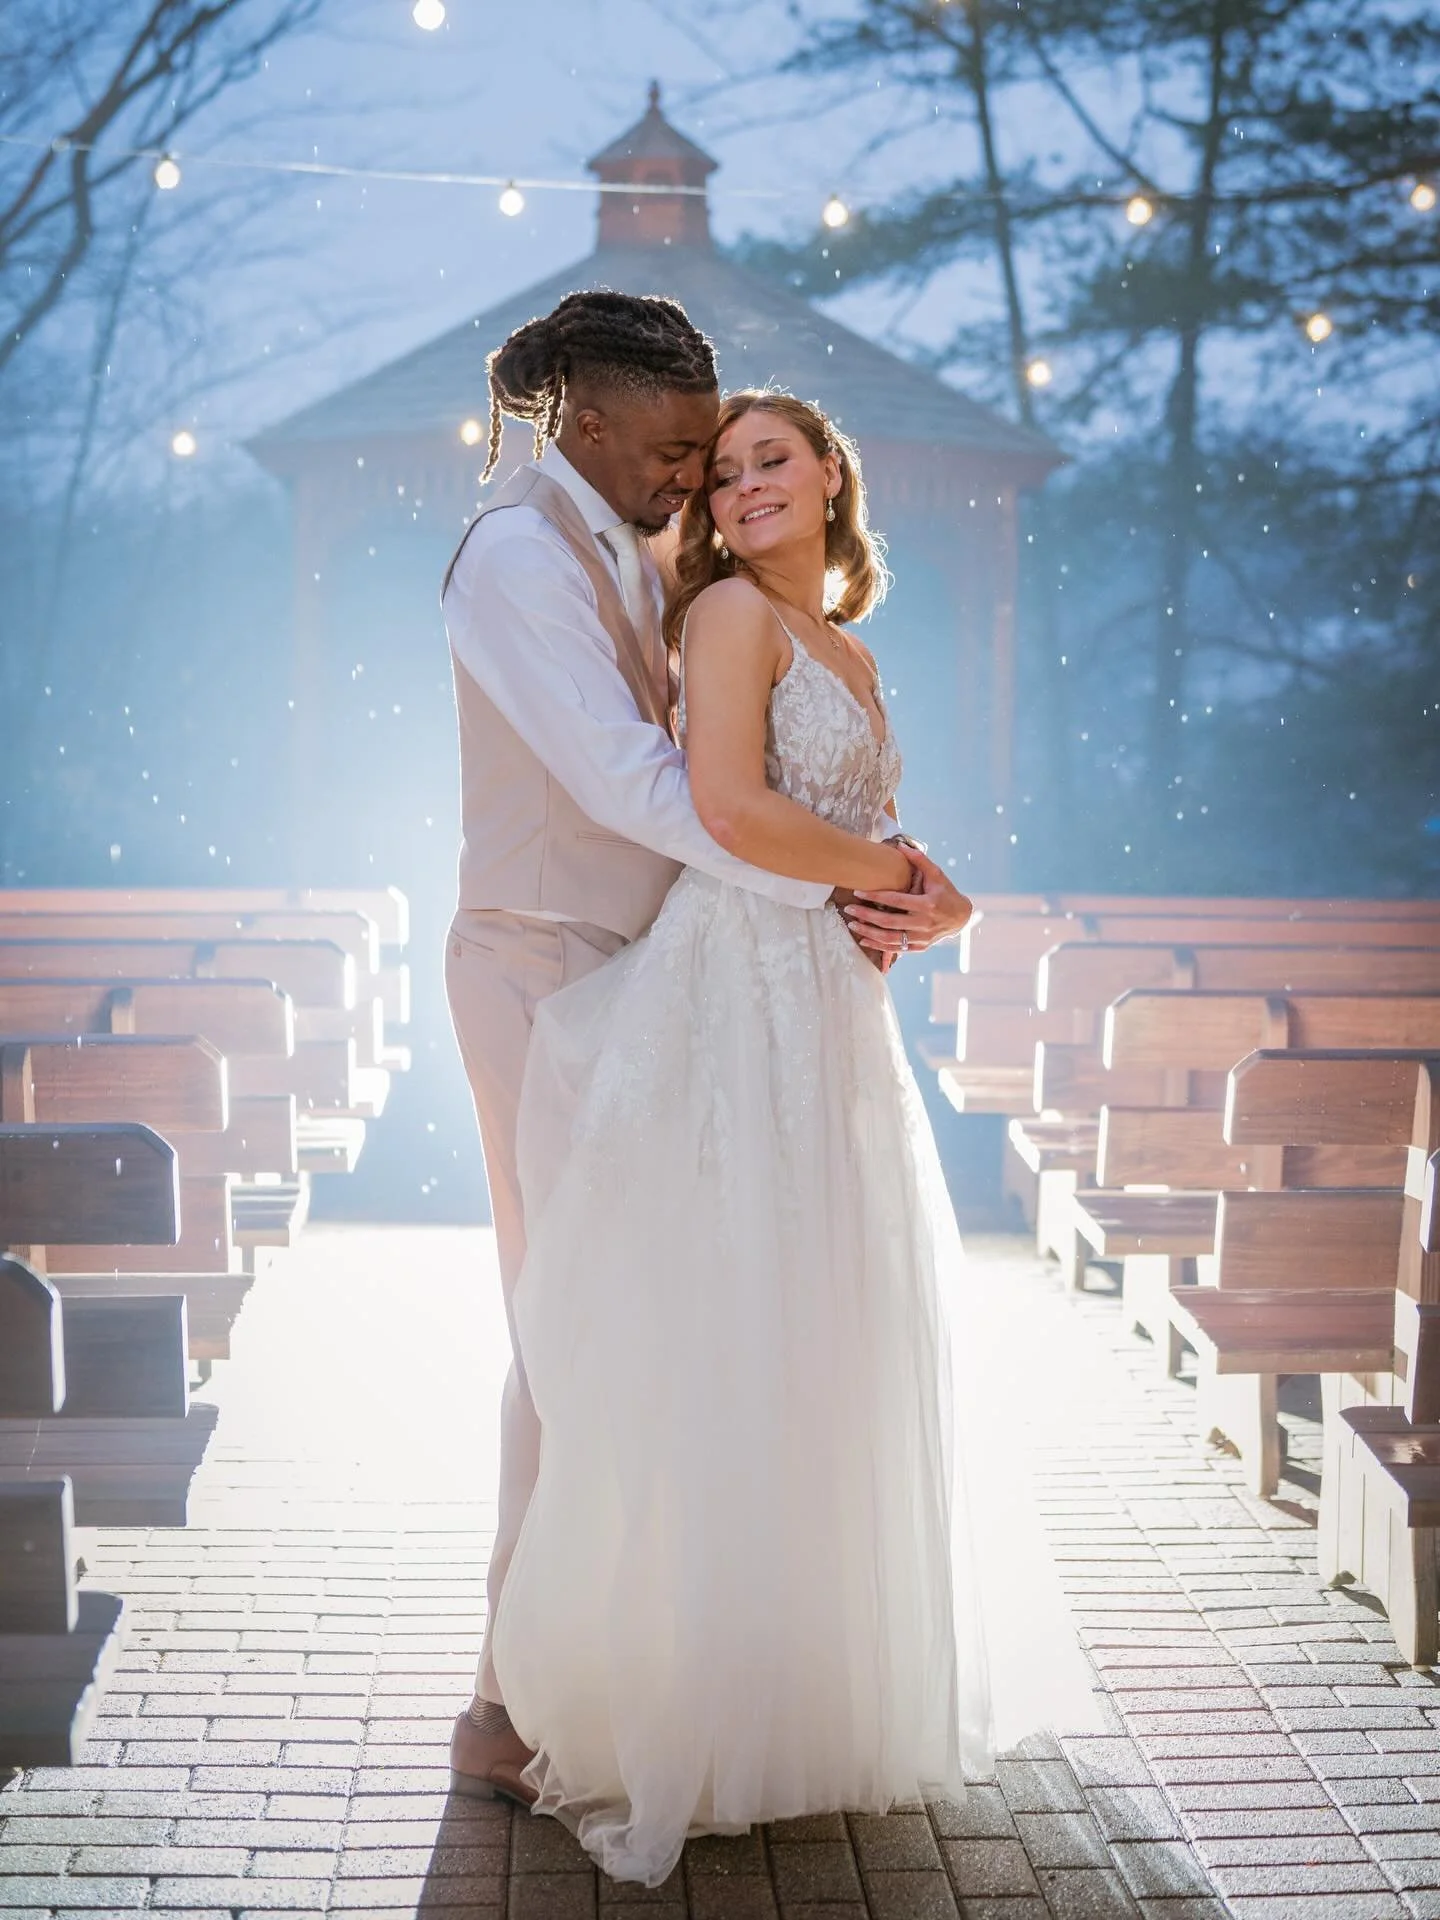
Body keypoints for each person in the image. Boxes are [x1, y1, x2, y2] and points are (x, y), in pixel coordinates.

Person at [440, 294, 973, 1808]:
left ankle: (665, 1657)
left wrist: (878, 872)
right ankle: (509, 1691)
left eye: (724, 457)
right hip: (544, 960)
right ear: (588, 423)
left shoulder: (645, 545)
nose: (699, 485)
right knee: (569, 1324)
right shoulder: (516, 557)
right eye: (680, 453)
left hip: (680, 965)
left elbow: (742, 773)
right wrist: (864, 879)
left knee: (678, 1326)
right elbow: (639, 785)